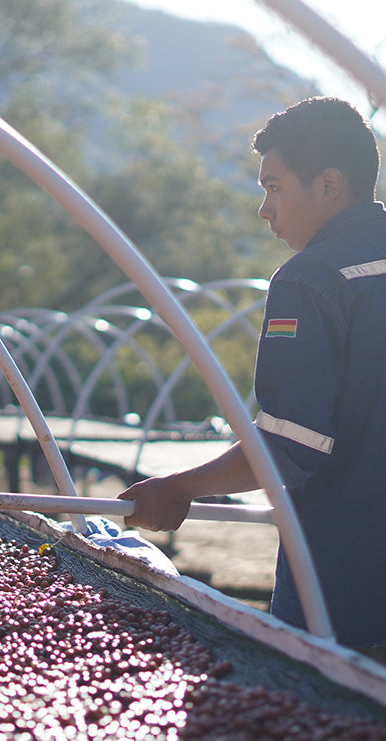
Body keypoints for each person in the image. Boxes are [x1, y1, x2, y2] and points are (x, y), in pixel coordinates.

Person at [118, 96, 386, 649]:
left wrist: (178, 488)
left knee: (334, 722)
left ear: (329, 185)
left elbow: (289, 446)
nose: (264, 209)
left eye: (274, 187)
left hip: (349, 584)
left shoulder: (310, 279)